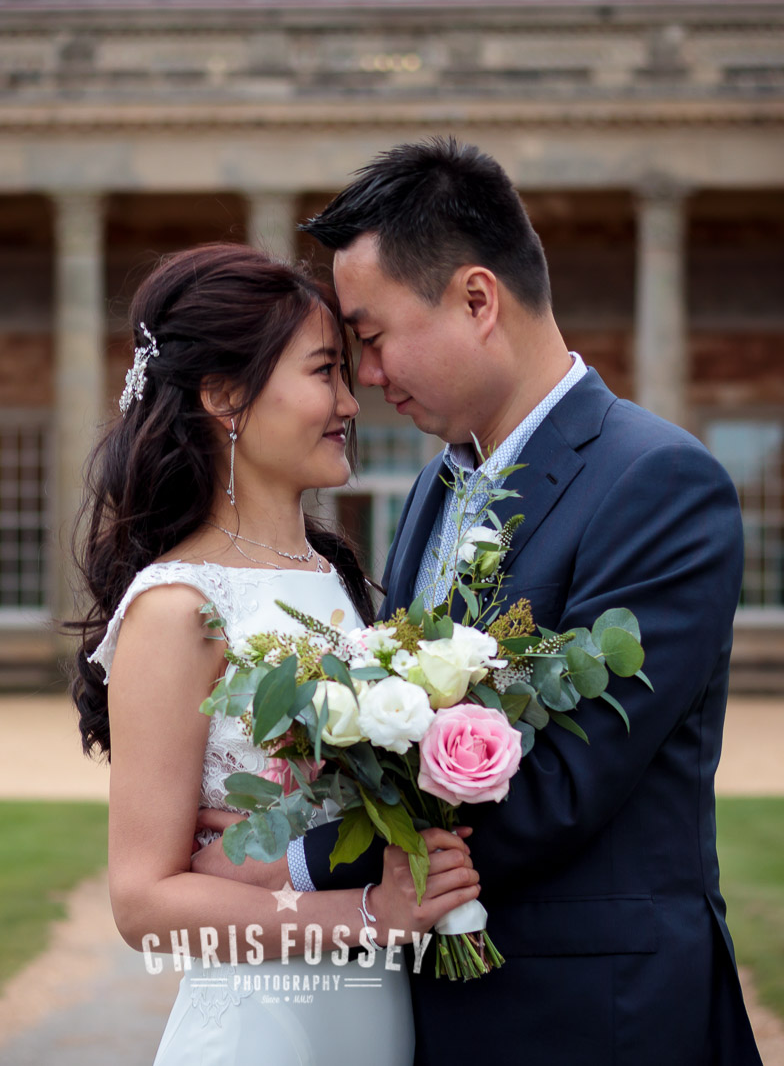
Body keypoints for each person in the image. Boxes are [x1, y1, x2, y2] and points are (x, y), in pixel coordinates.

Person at [192, 140, 765, 1065]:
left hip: (598, 1016)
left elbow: (557, 785)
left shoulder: (659, 482)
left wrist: (290, 858)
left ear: (476, 298)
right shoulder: (432, 492)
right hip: (439, 1009)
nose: (366, 379)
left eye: (371, 338)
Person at [69, 243, 481, 1065]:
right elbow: (143, 901)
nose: (349, 401)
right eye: (325, 371)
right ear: (225, 396)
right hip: (265, 1025)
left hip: (376, 1014)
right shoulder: (179, 606)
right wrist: (369, 913)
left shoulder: (340, 580)